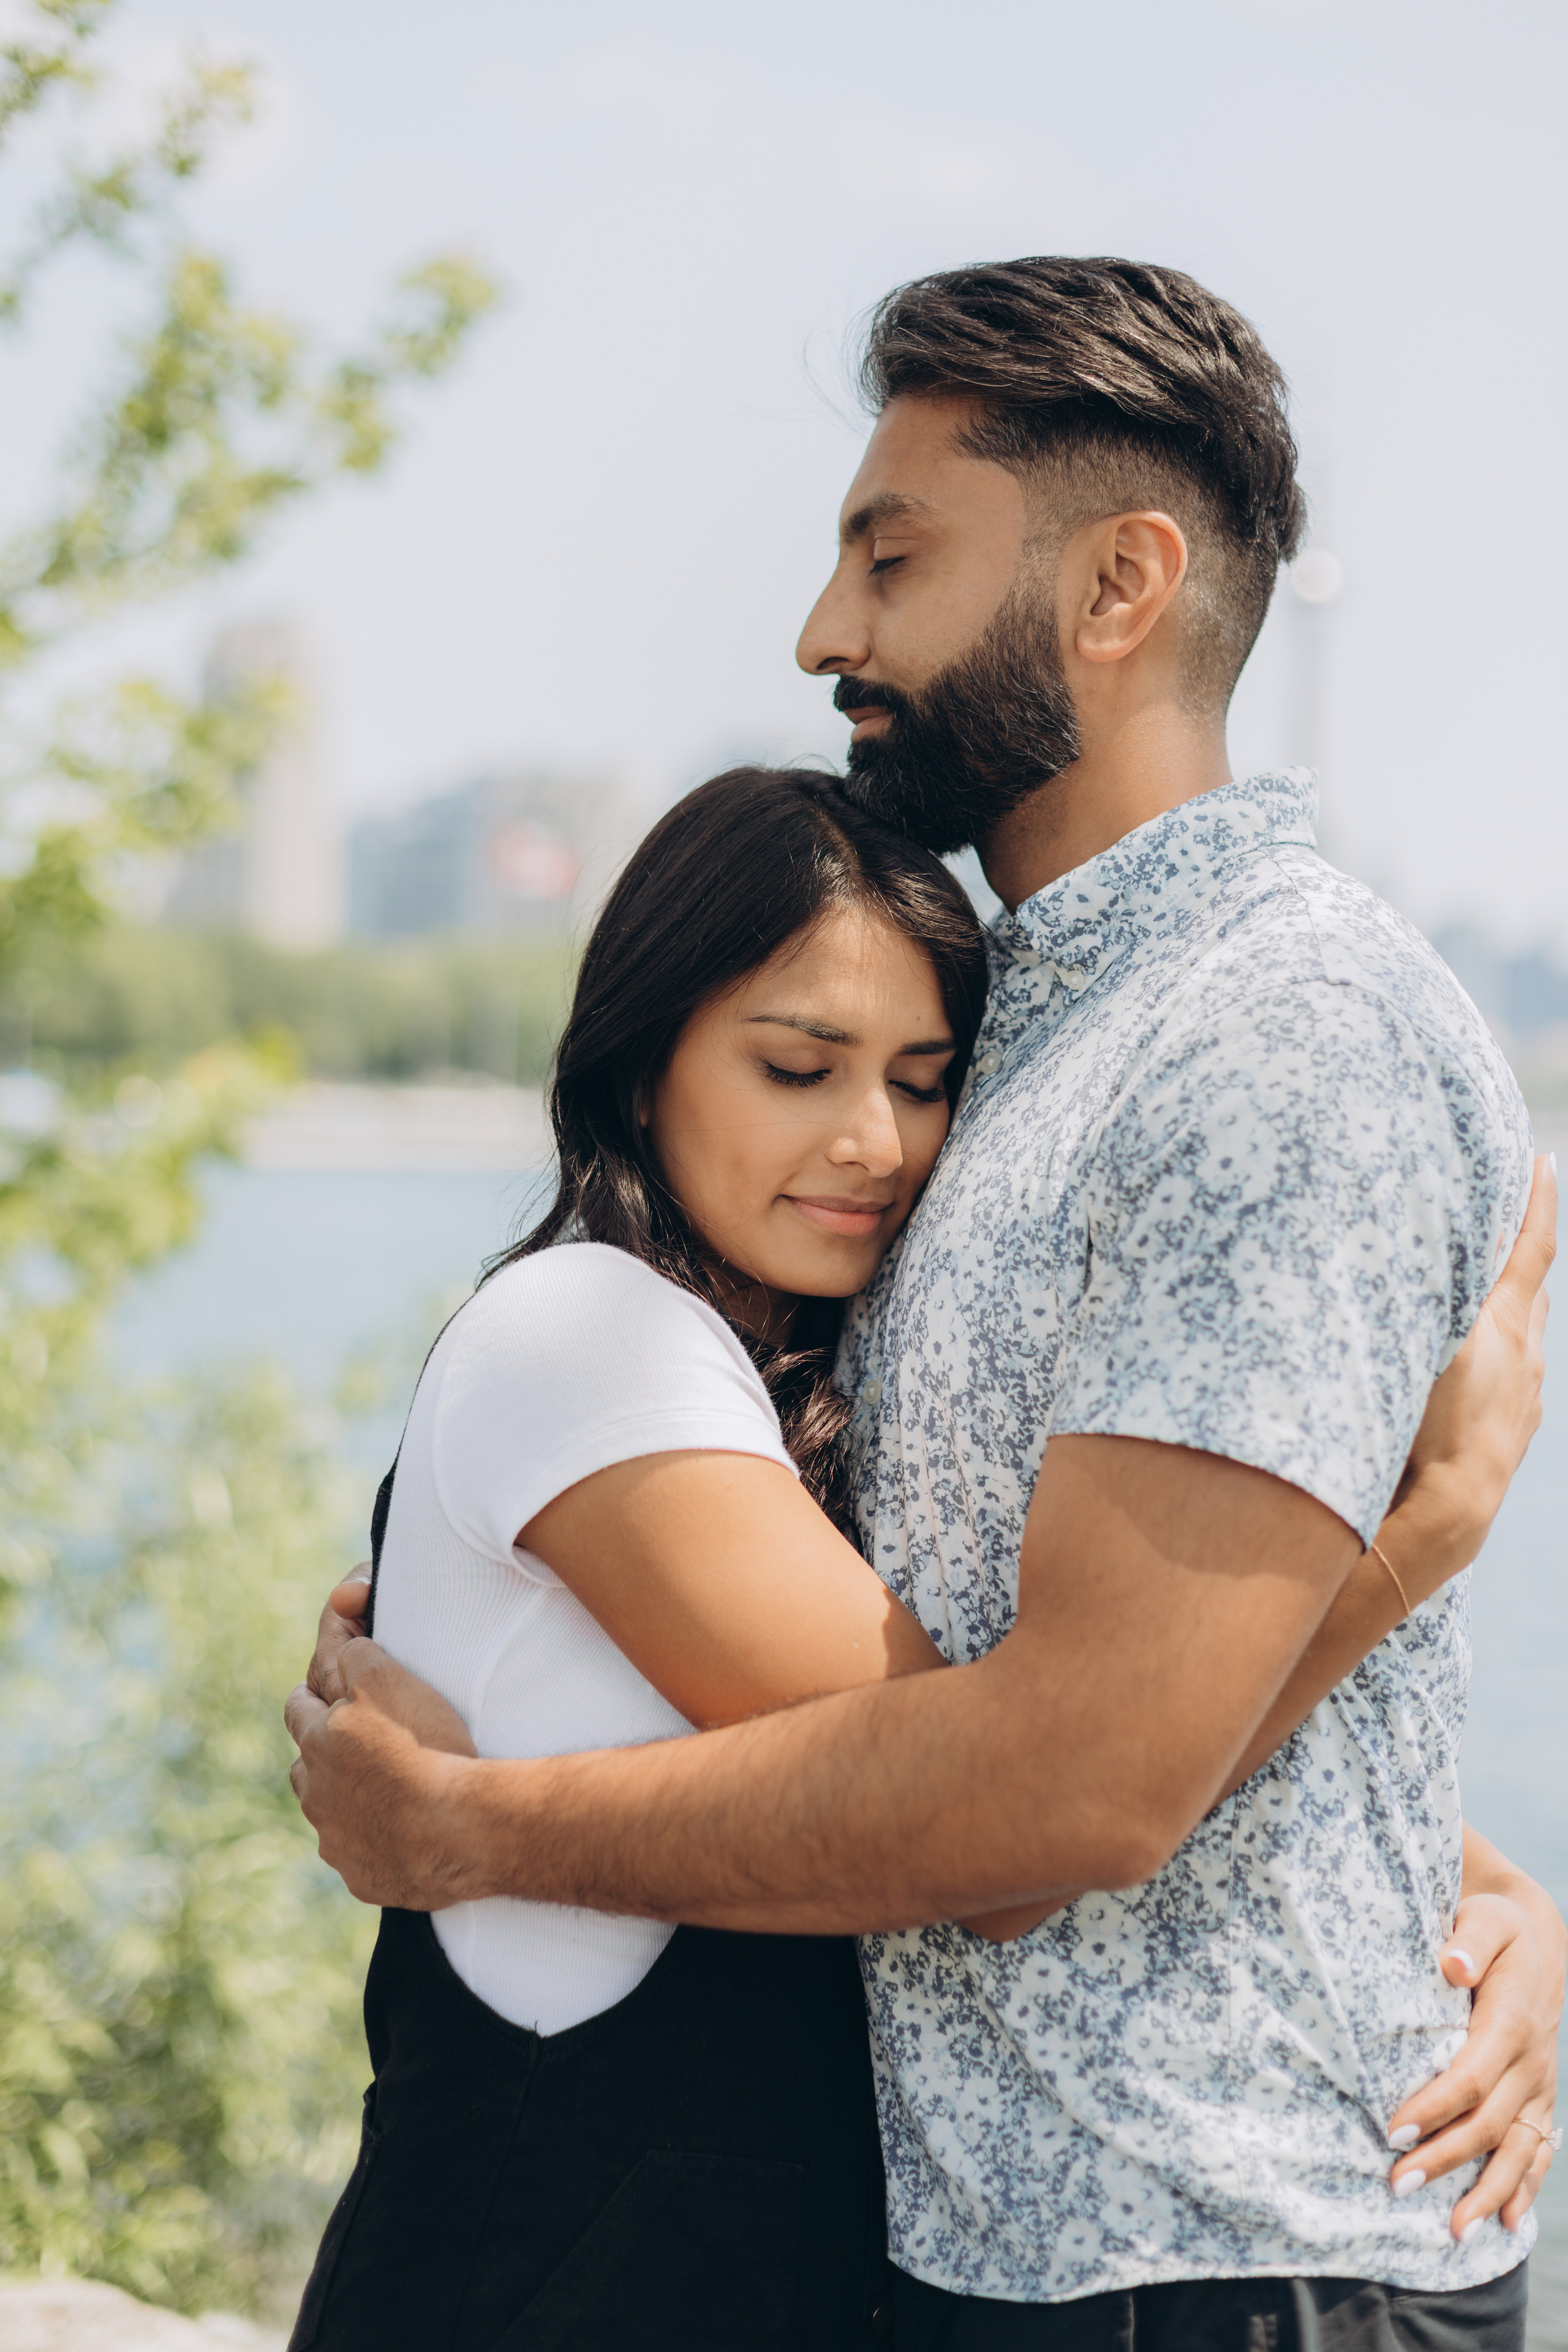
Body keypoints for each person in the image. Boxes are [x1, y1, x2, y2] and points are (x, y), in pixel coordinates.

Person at [289, 259, 1563, 2350]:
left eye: (894, 556)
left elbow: (1075, 1781)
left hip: (1224, 2252)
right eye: (801, 1068)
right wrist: (1492, 1873)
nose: (825, 635)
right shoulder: (1044, 1032)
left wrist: (477, 1827)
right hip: (1013, 2260)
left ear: (1120, 584)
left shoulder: (1275, 1031)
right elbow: (1049, 1660)